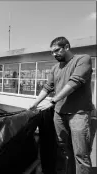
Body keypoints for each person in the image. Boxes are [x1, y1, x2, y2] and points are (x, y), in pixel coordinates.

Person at [29, 37, 93, 174]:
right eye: (51, 52)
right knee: (64, 150)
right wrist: (33, 105)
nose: (54, 54)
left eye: (57, 50)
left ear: (67, 47)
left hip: (78, 113)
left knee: (81, 153)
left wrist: (52, 101)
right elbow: (47, 87)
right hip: (59, 114)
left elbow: (75, 82)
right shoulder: (55, 68)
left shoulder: (83, 59)